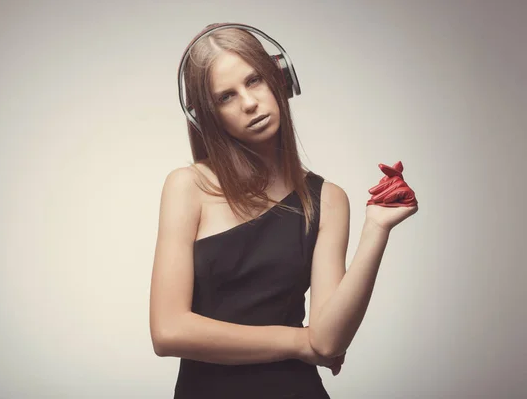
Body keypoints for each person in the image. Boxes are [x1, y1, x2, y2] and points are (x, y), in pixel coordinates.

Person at [149, 23, 419, 399]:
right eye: (226, 96)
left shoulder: (328, 199)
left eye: (255, 80)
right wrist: (298, 342)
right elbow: (168, 331)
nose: (249, 103)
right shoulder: (187, 186)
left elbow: (328, 342)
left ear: (280, 79)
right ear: (207, 116)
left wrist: (377, 229)